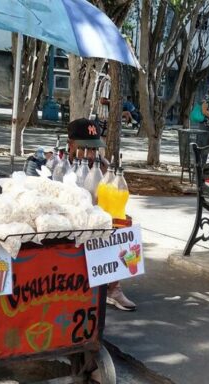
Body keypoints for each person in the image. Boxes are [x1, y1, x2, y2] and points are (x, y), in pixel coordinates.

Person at [67, 118, 136, 311]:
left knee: (121, 225)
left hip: (96, 221)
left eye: (94, 149)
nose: (90, 155)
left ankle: (114, 288)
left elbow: (112, 201)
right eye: (85, 149)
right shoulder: (56, 164)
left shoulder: (104, 168)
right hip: (67, 222)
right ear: (71, 145)